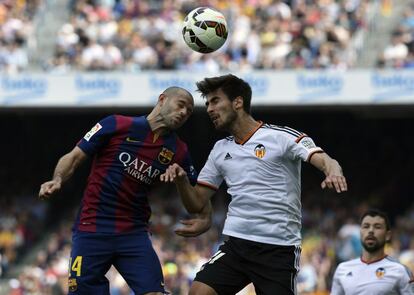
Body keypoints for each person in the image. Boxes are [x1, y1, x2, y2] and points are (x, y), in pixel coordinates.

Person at [160, 74, 348, 295]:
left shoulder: (281, 136)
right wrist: (182, 181)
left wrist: (333, 170)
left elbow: (324, 159)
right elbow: (196, 203)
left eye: (215, 101)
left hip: (278, 250)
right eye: (208, 103)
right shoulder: (220, 149)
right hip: (236, 246)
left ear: (237, 102)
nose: (209, 109)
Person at [38, 86, 209, 295]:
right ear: (162, 99)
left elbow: (199, 193)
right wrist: (58, 179)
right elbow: (74, 157)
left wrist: (204, 215)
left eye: (189, 111)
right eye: (181, 105)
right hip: (92, 228)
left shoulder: (178, 150)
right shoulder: (116, 124)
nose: (184, 113)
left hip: (133, 233)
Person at [331, 209, 414, 295]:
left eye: (377, 227)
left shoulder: (400, 270)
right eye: (366, 226)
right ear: (360, 233)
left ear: (388, 235)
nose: (370, 231)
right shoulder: (343, 269)